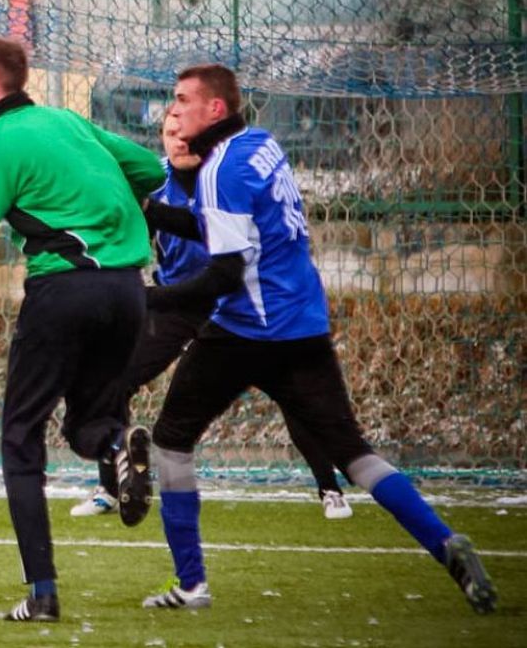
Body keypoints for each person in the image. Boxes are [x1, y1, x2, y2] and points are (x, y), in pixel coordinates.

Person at [141, 63, 496, 614]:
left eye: (184, 99)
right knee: (353, 452)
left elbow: (225, 274)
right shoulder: (261, 145)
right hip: (304, 324)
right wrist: (156, 212)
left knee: (170, 439)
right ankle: (444, 541)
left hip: (246, 329)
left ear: (215, 109)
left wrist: (148, 299)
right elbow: (230, 226)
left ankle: (192, 586)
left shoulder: (219, 171)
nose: (174, 109)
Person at [0, 35, 165, 624]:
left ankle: (43, 593)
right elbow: (150, 168)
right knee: (86, 425)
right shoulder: (65, 121)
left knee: (20, 439)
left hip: (64, 292)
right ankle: (116, 447)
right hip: (128, 291)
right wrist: (101, 206)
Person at [71, 116, 352, 521]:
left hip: (231, 303)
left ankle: (329, 487)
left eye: (185, 132)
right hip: (176, 303)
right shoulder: (153, 183)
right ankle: (114, 485)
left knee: (290, 391)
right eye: (170, 133)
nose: (179, 140)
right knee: (113, 378)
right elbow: (129, 237)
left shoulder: (223, 176)